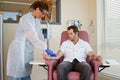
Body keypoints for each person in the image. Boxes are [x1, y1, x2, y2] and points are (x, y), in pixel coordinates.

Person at [6, 1, 56, 80]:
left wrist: (45, 52)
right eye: (43, 13)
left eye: (45, 14)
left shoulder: (37, 21)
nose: (43, 16)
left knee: (25, 73)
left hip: (28, 50)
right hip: (19, 50)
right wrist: (45, 48)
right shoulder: (26, 19)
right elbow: (33, 37)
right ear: (37, 9)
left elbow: (40, 37)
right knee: (17, 74)